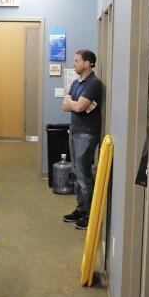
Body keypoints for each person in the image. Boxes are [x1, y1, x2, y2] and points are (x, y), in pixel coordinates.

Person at [61, 49, 104, 230]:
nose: (74, 64)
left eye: (77, 61)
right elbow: (65, 105)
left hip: (86, 135)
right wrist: (74, 104)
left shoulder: (94, 84)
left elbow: (77, 107)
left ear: (87, 63)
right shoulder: (77, 83)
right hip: (75, 132)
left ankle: (89, 214)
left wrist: (73, 103)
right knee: (77, 172)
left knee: (84, 175)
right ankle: (81, 209)